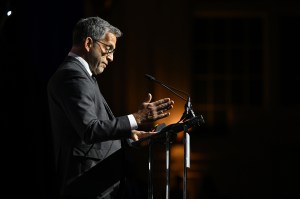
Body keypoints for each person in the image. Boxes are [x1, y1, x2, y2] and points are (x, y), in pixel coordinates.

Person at [47, 16, 174, 199]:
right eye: (108, 49)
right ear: (89, 43)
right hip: (88, 186)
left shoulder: (82, 75)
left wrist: (130, 135)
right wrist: (137, 118)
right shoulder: (72, 75)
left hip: (98, 184)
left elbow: (95, 131)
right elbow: (90, 130)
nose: (112, 58)